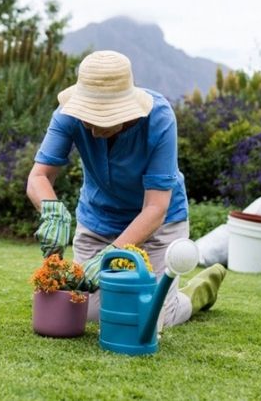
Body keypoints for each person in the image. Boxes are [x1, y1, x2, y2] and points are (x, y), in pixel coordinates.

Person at [26, 50, 226, 327]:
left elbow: (156, 208)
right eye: (88, 120)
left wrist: (113, 253)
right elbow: (38, 176)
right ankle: (160, 294)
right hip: (99, 222)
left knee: (149, 319)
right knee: (86, 311)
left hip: (157, 225)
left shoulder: (159, 118)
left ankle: (196, 292)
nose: (93, 132)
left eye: (103, 121)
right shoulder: (66, 114)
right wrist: (51, 209)